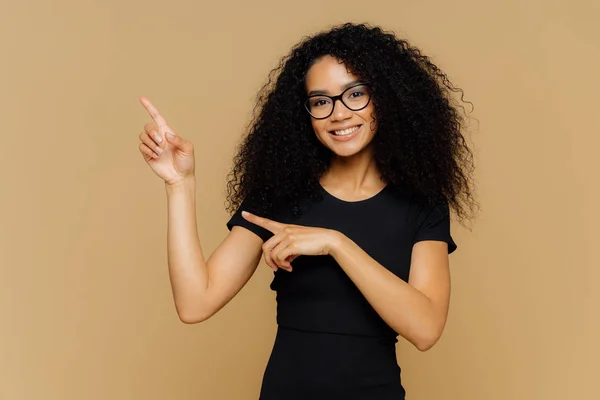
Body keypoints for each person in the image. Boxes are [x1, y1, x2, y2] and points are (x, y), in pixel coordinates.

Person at [137, 22, 477, 400]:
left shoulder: (421, 204)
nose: (339, 113)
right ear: (306, 115)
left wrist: (335, 243)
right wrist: (179, 185)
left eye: (356, 94)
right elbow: (194, 302)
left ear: (386, 97)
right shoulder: (280, 195)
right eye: (320, 101)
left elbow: (426, 329)